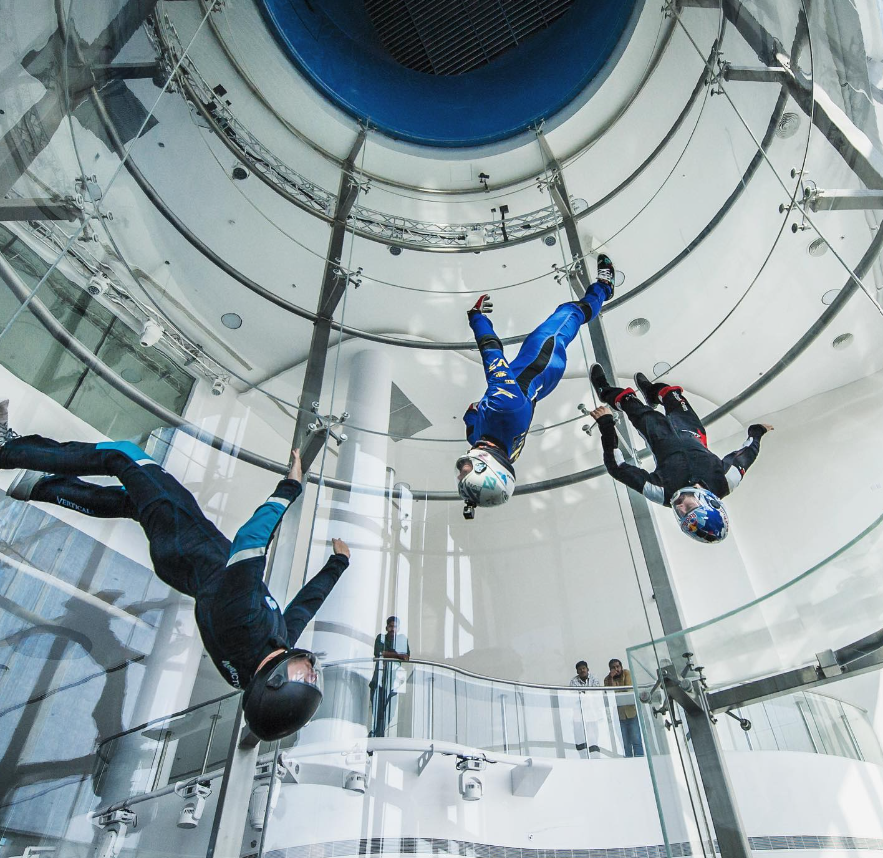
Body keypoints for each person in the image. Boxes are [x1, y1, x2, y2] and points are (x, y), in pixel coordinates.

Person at [0, 400, 350, 741]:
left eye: (305, 680)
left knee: (122, 456)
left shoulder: (243, 621)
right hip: (183, 563)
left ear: (275, 681)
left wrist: (290, 488)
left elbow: (251, 540)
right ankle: (37, 486)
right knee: (132, 502)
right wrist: (338, 564)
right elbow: (304, 608)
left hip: (185, 540)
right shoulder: (259, 656)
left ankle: (7, 449)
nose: (312, 672)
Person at [456, 255, 616, 518]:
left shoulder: (490, 446)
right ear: (486, 464)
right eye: (466, 471)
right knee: (571, 312)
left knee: (565, 317)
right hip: (542, 362)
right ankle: (603, 289)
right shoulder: (503, 408)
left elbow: (471, 419)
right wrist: (476, 318)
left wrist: (473, 410)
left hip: (528, 386)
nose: (461, 467)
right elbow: (491, 352)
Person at [588, 367, 773, 544]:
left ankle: (605, 391)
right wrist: (757, 432)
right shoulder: (726, 481)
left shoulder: (662, 493)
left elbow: (617, 468)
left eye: (682, 515)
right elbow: (746, 454)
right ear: (710, 502)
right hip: (692, 432)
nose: (680, 508)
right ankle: (653, 393)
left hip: (658, 436)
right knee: (672, 395)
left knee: (629, 402)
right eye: (690, 508)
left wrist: (606, 424)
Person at [369, 615, 410, 737]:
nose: (393, 629)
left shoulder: (402, 640)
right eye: (391, 626)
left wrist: (391, 655)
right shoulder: (381, 638)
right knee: (377, 709)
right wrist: (397, 655)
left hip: (394, 681)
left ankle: (379, 732)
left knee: (390, 711)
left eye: (395, 627)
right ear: (387, 627)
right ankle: (377, 733)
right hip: (379, 679)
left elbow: (406, 657)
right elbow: (380, 653)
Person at [603, 658, 643, 758]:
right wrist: (612, 679)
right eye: (613, 668)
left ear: (621, 667)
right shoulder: (607, 679)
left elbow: (628, 690)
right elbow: (610, 695)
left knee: (636, 740)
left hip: (631, 712)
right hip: (619, 716)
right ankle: (629, 761)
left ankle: (640, 760)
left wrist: (618, 692)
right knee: (625, 743)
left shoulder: (626, 673)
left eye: (618, 666)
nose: (616, 669)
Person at [569, 660, 602, 756]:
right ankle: (583, 758)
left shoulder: (594, 678)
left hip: (592, 714)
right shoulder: (573, 681)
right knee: (580, 738)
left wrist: (584, 694)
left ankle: (595, 757)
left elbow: (596, 693)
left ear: (588, 669)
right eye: (580, 669)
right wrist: (587, 694)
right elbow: (574, 697)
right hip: (579, 714)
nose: (582, 670)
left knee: (593, 738)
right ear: (577, 672)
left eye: (584, 668)